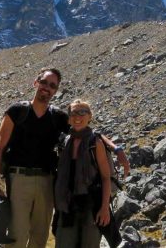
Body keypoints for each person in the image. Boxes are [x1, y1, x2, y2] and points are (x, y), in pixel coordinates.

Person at [0, 69, 127, 248]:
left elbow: (86, 131)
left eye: (52, 85)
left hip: (47, 181)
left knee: (40, 235)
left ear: (56, 90)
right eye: (44, 82)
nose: (47, 88)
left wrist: (116, 149)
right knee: (17, 234)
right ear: (36, 82)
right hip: (19, 179)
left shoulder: (58, 117)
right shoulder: (16, 112)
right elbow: (0, 149)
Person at [53, 100, 113, 248]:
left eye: (82, 112)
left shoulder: (95, 142)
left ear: (90, 116)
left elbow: (106, 177)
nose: (77, 116)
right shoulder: (64, 142)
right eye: (73, 113)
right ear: (68, 118)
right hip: (67, 205)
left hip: (91, 206)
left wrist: (105, 208)